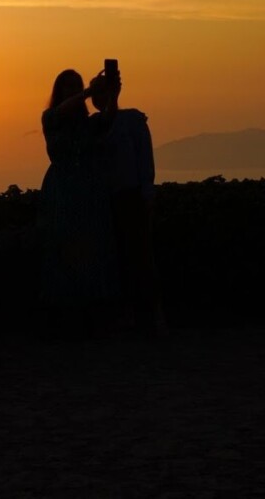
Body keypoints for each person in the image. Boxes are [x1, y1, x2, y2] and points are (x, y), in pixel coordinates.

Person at [90, 66, 166, 335]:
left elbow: (145, 160)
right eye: (96, 93)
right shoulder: (93, 125)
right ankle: (127, 316)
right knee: (116, 260)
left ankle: (151, 317)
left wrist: (147, 194)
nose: (101, 97)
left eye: (105, 91)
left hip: (131, 197)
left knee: (141, 258)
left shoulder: (132, 121)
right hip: (104, 201)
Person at [37, 70, 113, 338]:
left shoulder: (87, 124)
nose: (72, 92)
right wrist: (88, 92)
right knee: (61, 250)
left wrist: (112, 95)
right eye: (68, 87)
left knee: (89, 251)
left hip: (86, 190)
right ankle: (61, 318)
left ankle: (87, 318)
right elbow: (60, 113)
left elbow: (108, 119)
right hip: (62, 191)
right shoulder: (50, 118)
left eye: (75, 87)